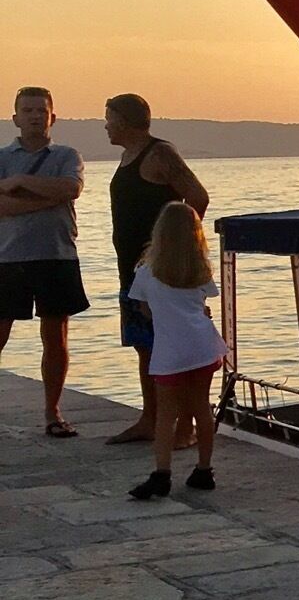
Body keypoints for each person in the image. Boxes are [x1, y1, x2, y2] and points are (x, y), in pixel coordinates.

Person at [103, 96, 210, 446]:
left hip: (163, 272)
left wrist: (177, 246)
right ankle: (150, 419)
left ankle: (186, 426)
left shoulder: (159, 154)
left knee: (174, 346)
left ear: (124, 121)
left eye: (109, 118)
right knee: (145, 346)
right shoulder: (128, 157)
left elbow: (197, 197)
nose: (106, 125)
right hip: (133, 271)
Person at [0, 87, 89, 436]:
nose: (35, 116)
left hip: (56, 255)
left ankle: (53, 412)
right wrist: (47, 198)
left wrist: (20, 182)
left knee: (56, 337)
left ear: (53, 116)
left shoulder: (67, 155)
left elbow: (70, 190)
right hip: (8, 257)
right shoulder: (2, 158)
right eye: (28, 110)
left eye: (41, 110)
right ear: (16, 118)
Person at [125, 202, 226, 501]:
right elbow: (202, 304)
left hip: (171, 350)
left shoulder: (146, 272)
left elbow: (144, 309)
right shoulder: (200, 269)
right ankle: (204, 469)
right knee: (201, 408)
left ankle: (162, 474)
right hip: (203, 346)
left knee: (166, 414)